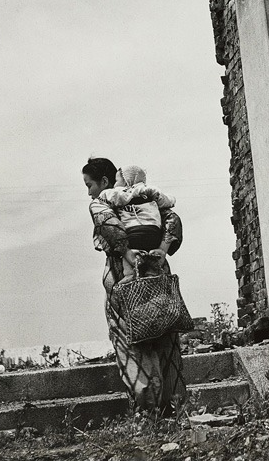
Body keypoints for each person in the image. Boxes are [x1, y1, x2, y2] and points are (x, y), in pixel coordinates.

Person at [81, 157, 186, 413]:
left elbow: (109, 226)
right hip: (157, 270)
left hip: (124, 276)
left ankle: (147, 409)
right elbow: (174, 221)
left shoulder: (103, 202)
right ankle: (174, 404)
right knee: (165, 334)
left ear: (106, 182)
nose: (88, 192)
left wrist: (127, 251)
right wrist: (161, 249)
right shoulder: (153, 201)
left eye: (88, 184)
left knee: (130, 340)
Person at [99, 165, 176, 281]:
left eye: (116, 181)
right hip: (153, 233)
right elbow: (168, 201)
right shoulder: (149, 191)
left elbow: (107, 197)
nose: (114, 184)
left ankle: (129, 276)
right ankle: (152, 272)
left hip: (132, 234)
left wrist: (128, 194)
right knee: (152, 263)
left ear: (126, 181)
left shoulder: (119, 192)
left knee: (129, 265)